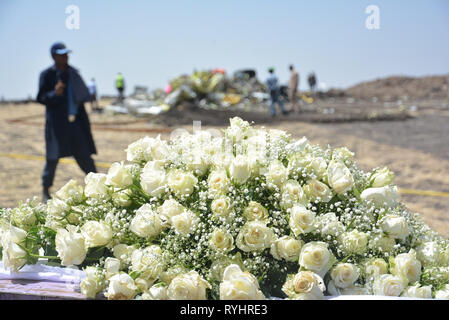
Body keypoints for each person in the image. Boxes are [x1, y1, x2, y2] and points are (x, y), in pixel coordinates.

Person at [37, 42, 97, 202]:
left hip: (76, 122)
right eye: (61, 54)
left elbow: (82, 95)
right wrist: (55, 93)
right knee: (52, 158)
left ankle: (98, 186)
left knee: (84, 155)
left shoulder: (73, 73)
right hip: (57, 125)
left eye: (66, 54)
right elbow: (41, 98)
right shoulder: (47, 75)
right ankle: (45, 190)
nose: (65, 57)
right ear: (54, 56)